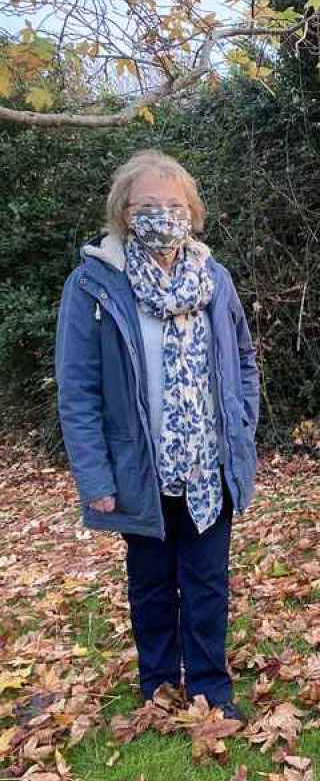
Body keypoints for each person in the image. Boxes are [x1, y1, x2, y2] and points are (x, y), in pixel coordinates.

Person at [55, 150, 259, 721]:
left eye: (174, 205)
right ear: (124, 212)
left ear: (192, 211)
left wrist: (242, 428)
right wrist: (94, 477)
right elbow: (78, 390)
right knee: (150, 588)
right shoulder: (93, 285)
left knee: (207, 586)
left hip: (208, 466)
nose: (162, 216)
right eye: (148, 205)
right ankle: (159, 689)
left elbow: (244, 359)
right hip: (138, 470)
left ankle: (213, 690)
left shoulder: (214, 278)